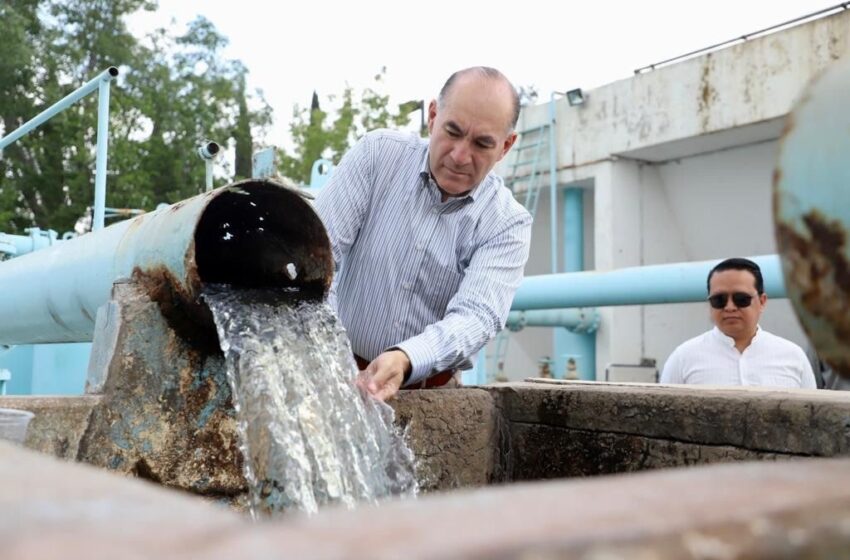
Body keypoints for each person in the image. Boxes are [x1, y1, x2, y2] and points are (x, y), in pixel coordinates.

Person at [314, 67, 532, 401]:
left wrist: (405, 357)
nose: (460, 156)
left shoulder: (507, 223)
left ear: (506, 146)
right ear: (432, 116)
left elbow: (478, 315)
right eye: (452, 132)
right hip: (335, 373)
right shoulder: (377, 157)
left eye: (482, 144)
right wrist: (330, 354)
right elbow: (317, 255)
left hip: (433, 394)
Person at [660, 257, 816, 388]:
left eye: (741, 299)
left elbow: (813, 418)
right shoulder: (683, 358)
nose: (729, 307)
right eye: (719, 300)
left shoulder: (794, 357)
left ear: (762, 301)